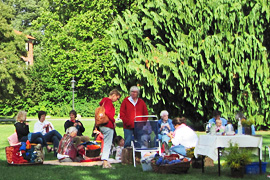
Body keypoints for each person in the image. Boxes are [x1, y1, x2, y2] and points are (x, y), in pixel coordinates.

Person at [98, 89, 121, 168]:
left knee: (106, 142)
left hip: (102, 124)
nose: (116, 100)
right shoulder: (108, 101)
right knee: (108, 144)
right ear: (113, 95)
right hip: (107, 125)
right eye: (117, 98)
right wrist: (114, 121)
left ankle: (105, 161)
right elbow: (108, 112)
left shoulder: (104, 101)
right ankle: (105, 162)